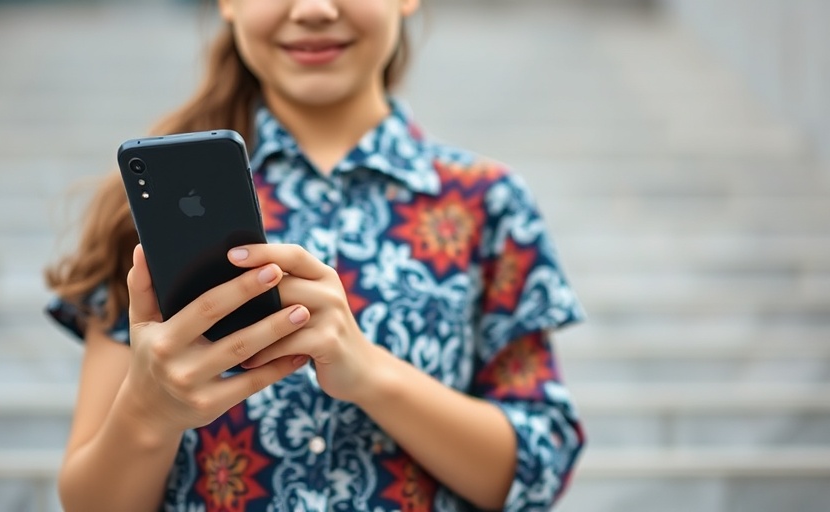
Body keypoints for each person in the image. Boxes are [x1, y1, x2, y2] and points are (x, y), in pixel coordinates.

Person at [45, 1, 586, 511]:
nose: (313, 9)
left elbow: (537, 466)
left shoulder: (487, 203)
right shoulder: (147, 208)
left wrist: (371, 374)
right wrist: (149, 411)